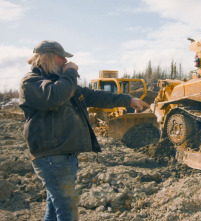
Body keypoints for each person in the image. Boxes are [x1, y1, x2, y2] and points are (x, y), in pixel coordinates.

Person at [18, 40, 149, 221]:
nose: (66, 61)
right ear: (46, 58)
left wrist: (128, 100)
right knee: (67, 212)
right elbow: (55, 97)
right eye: (61, 57)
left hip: (63, 156)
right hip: (51, 158)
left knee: (55, 210)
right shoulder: (32, 82)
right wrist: (71, 72)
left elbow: (93, 96)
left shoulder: (62, 84)